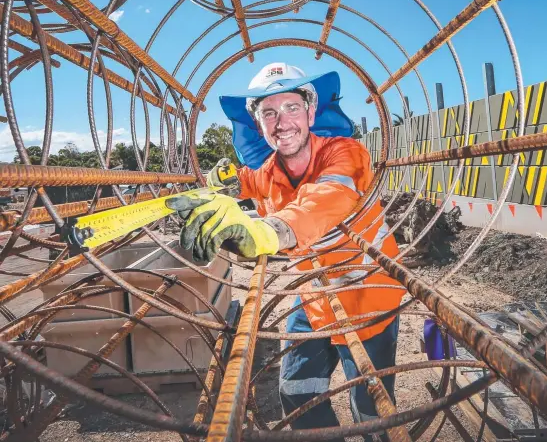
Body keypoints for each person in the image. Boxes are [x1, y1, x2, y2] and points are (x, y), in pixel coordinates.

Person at [167, 63, 405, 441]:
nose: (282, 122)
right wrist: (220, 183)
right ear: (258, 124)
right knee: (296, 394)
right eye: (269, 113)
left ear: (312, 112)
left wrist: (266, 230)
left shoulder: (346, 153)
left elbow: (324, 199)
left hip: (366, 297)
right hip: (312, 296)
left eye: (292, 107)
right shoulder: (268, 170)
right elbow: (245, 180)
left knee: (372, 409)